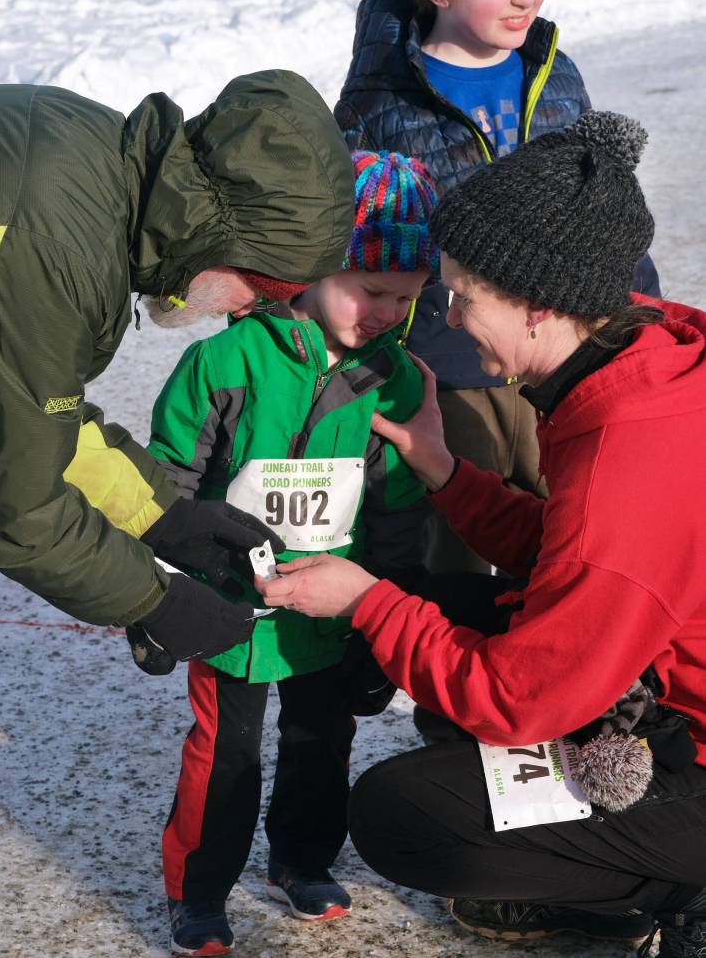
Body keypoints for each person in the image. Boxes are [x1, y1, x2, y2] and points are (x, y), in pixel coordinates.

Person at [0, 70, 354, 958]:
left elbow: (32, 412)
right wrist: (150, 601)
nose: (245, 312)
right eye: (262, 289)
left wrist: (167, 517)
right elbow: (12, 501)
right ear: (220, 231)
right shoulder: (50, 232)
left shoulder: (100, 171)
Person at [256, 111, 706, 958]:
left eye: (462, 296)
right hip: (664, 669)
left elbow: (520, 697)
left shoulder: (627, 454)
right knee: (439, 607)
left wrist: (366, 603)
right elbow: (577, 559)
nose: (448, 318)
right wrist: (443, 467)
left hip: (691, 747)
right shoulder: (639, 360)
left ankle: (673, 885)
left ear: (539, 304)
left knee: (406, 815)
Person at [146, 150, 436, 956]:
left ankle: (301, 858)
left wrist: (392, 598)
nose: (385, 311)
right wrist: (162, 590)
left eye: (405, 300)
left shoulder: (394, 381)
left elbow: (396, 505)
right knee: (223, 749)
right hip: (230, 602)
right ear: (313, 266)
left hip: (332, 603)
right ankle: (198, 887)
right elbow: (166, 480)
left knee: (321, 736)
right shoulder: (225, 360)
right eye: (371, 289)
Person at [334, 0, 662, 575]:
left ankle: (558, 660)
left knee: (571, 532)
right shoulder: (380, 101)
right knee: (457, 537)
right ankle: (455, 663)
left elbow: (599, 200)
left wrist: (638, 306)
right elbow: (346, 235)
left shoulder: (555, 71)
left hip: (562, 356)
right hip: (449, 362)